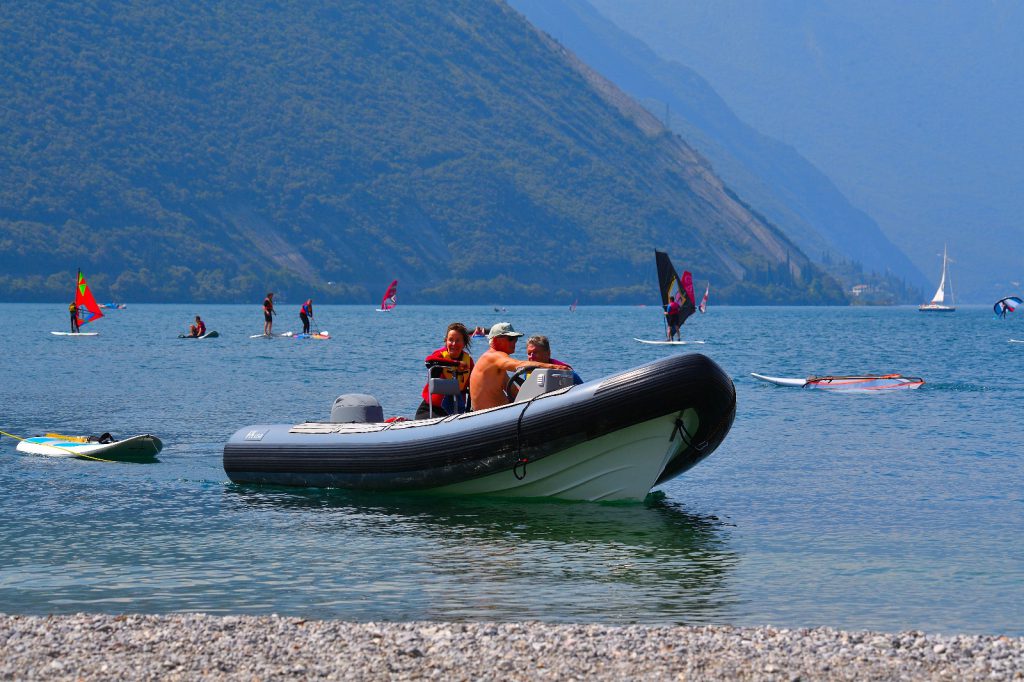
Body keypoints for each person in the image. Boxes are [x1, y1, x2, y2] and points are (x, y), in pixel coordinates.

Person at [469, 323, 568, 411]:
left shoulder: (496, 366)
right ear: (496, 340)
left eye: (515, 339)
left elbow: (514, 391)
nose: (514, 342)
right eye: (510, 339)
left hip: (499, 414)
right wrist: (556, 367)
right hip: (490, 417)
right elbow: (519, 365)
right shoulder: (494, 356)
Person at [416, 322, 475, 420]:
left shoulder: (469, 361)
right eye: (451, 340)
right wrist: (456, 364)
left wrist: (469, 412)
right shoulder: (439, 356)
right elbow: (429, 360)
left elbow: (473, 388)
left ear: (464, 343)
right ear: (446, 341)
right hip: (431, 409)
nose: (454, 344)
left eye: (458, 340)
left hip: (456, 410)